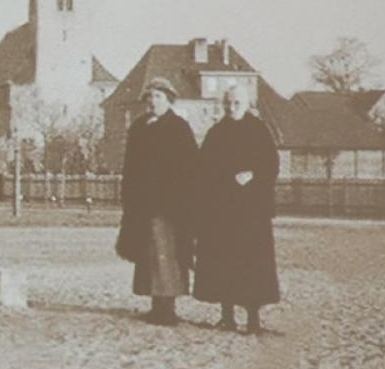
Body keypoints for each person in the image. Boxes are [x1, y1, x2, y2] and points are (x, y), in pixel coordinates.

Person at [194, 83, 281, 334]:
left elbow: (271, 165)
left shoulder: (259, 130)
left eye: (236, 103)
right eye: (228, 103)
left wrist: (253, 174)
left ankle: (253, 319)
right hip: (222, 212)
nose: (231, 108)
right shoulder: (216, 132)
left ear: (247, 104)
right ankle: (227, 316)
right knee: (223, 263)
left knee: (252, 265)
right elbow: (204, 169)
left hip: (252, 212)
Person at [115, 77, 198, 325]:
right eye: (149, 97)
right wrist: (129, 196)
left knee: (167, 255)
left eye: (158, 97)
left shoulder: (178, 127)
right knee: (149, 255)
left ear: (169, 100)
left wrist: (178, 196)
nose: (152, 101)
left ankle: (168, 308)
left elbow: (190, 167)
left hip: (169, 205)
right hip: (143, 204)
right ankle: (155, 305)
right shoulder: (139, 127)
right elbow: (130, 166)